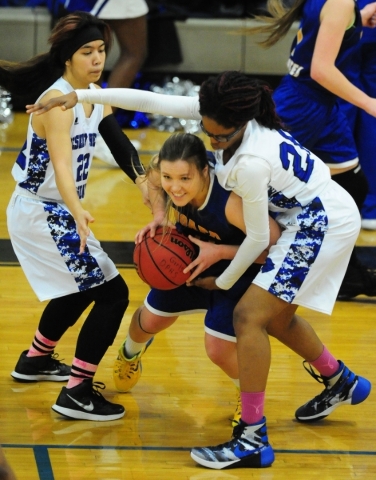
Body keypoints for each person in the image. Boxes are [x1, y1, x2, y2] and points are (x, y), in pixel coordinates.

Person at [25, 71, 372, 469]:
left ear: (240, 124)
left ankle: (252, 438)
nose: (213, 142)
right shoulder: (222, 116)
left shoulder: (250, 164)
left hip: (319, 223)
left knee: (248, 317)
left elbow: (259, 240)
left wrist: (219, 277)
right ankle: (340, 380)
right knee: (275, 319)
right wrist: (78, 95)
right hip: (310, 212)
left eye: (221, 137)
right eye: (209, 133)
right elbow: (151, 102)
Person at [1, 11, 149, 422]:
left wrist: (142, 182)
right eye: (87, 52)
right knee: (113, 293)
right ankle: (77, 392)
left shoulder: (90, 95)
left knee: (81, 288)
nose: (98, 58)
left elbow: (119, 143)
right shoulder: (56, 103)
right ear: (68, 57)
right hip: (43, 211)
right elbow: (62, 166)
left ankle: (36, 359)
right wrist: (78, 209)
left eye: (102, 50)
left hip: (54, 211)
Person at [112, 132, 281, 428]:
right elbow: (152, 180)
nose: (175, 188)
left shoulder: (230, 201)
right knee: (150, 319)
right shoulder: (163, 177)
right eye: (169, 177)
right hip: (190, 261)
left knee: (217, 347)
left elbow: (275, 248)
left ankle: (246, 392)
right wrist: (159, 215)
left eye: (185, 179)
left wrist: (219, 252)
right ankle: (128, 355)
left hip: (238, 268)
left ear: (204, 171)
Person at [247, 0, 376, 299]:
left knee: (352, 183)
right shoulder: (341, 3)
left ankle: (342, 271)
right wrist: (369, 102)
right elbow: (320, 70)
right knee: (256, 187)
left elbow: (326, 27)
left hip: (318, 104)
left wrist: (359, 17)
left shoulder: (341, 4)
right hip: (303, 106)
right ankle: (234, 257)